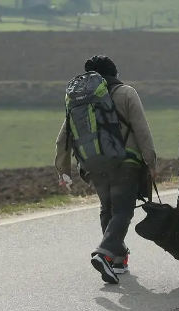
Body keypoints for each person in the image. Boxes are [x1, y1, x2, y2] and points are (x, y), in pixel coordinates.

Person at [56, 55, 157, 284]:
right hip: (126, 162)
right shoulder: (126, 93)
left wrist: (64, 170)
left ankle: (118, 260)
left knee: (107, 210)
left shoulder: (80, 101)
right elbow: (141, 129)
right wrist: (151, 162)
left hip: (93, 165)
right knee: (122, 211)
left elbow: (63, 139)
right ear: (115, 73)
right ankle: (104, 253)